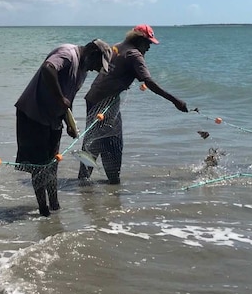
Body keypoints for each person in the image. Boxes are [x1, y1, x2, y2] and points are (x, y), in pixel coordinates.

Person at [77, 24, 189, 185]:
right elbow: (148, 82)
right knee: (112, 143)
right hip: (106, 102)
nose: (149, 47)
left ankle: (84, 182)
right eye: (148, 43)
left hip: (94, 98)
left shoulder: (117, 47)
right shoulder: (134, 54)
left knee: (94, 140)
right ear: (139, 40)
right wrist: (175, 101)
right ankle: (112, 186)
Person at [15, 38, 112, 216]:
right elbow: (48, 68)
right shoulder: (68, 54)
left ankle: (54, 206)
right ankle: (43, 210)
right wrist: (60, 99)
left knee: (52, 165)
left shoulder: (82, 70)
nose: (94, 69)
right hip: (33, 114)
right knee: (39, 165)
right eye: (97, 64)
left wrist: (69, 123)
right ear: (92, 52)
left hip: (53, 118)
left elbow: (69, 98)